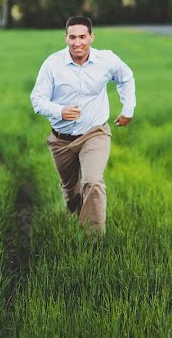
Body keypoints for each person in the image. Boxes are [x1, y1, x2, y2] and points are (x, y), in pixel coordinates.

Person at [30, 16, 135, 235]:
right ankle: (74, 216)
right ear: (66, 38)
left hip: (94, 133)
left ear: (91, 37)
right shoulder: (53, 64)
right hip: (61, 139)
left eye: (82, 37)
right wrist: (60, 111)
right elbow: (37, 100)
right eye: (72, 37)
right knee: (71, 190)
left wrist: (128, 110)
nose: (77, 43)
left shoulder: (106, 60)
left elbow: (126, 77)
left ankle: (92, 240)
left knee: (93, 182)